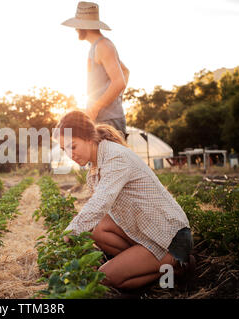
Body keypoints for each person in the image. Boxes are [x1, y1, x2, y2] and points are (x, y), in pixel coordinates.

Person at [54, 110, 196, 290]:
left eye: (72, 146)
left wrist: (70, 232)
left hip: (171, 239)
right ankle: (137, 264)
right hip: (150, 231)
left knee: (105, 278)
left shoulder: (115, 158)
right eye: (64, 149)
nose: (69, 154)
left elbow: (100, 203)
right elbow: (97, 212)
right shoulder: (95, 162)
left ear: (89, 138)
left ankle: (176, 268)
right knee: (98, 230)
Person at [62, 2, 129, 139]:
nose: (75, 29)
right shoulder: (97, 46)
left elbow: (119, 82)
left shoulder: (103, 46)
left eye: (77, 25)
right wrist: (115, 99)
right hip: (104, 119)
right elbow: (125, 71)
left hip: (108, 122)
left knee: (110, 160)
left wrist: (95, 109)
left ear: (83, 26)